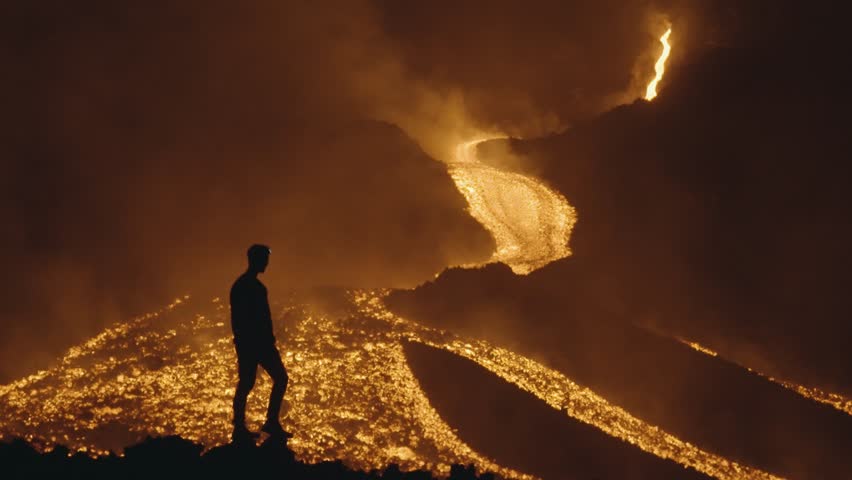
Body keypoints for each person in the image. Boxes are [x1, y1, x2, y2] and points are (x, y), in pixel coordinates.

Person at [230, 244, 290, 442]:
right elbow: (257, 318)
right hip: (257, 343)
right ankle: (268, 422)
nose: (266, 263)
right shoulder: (253, 288)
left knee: (247, 383)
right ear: (255, 260)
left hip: (250, 343)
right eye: (264, 259)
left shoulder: (242, 286)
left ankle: (240, 426)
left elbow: (238, 319)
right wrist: (264, 338)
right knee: (278, 378)